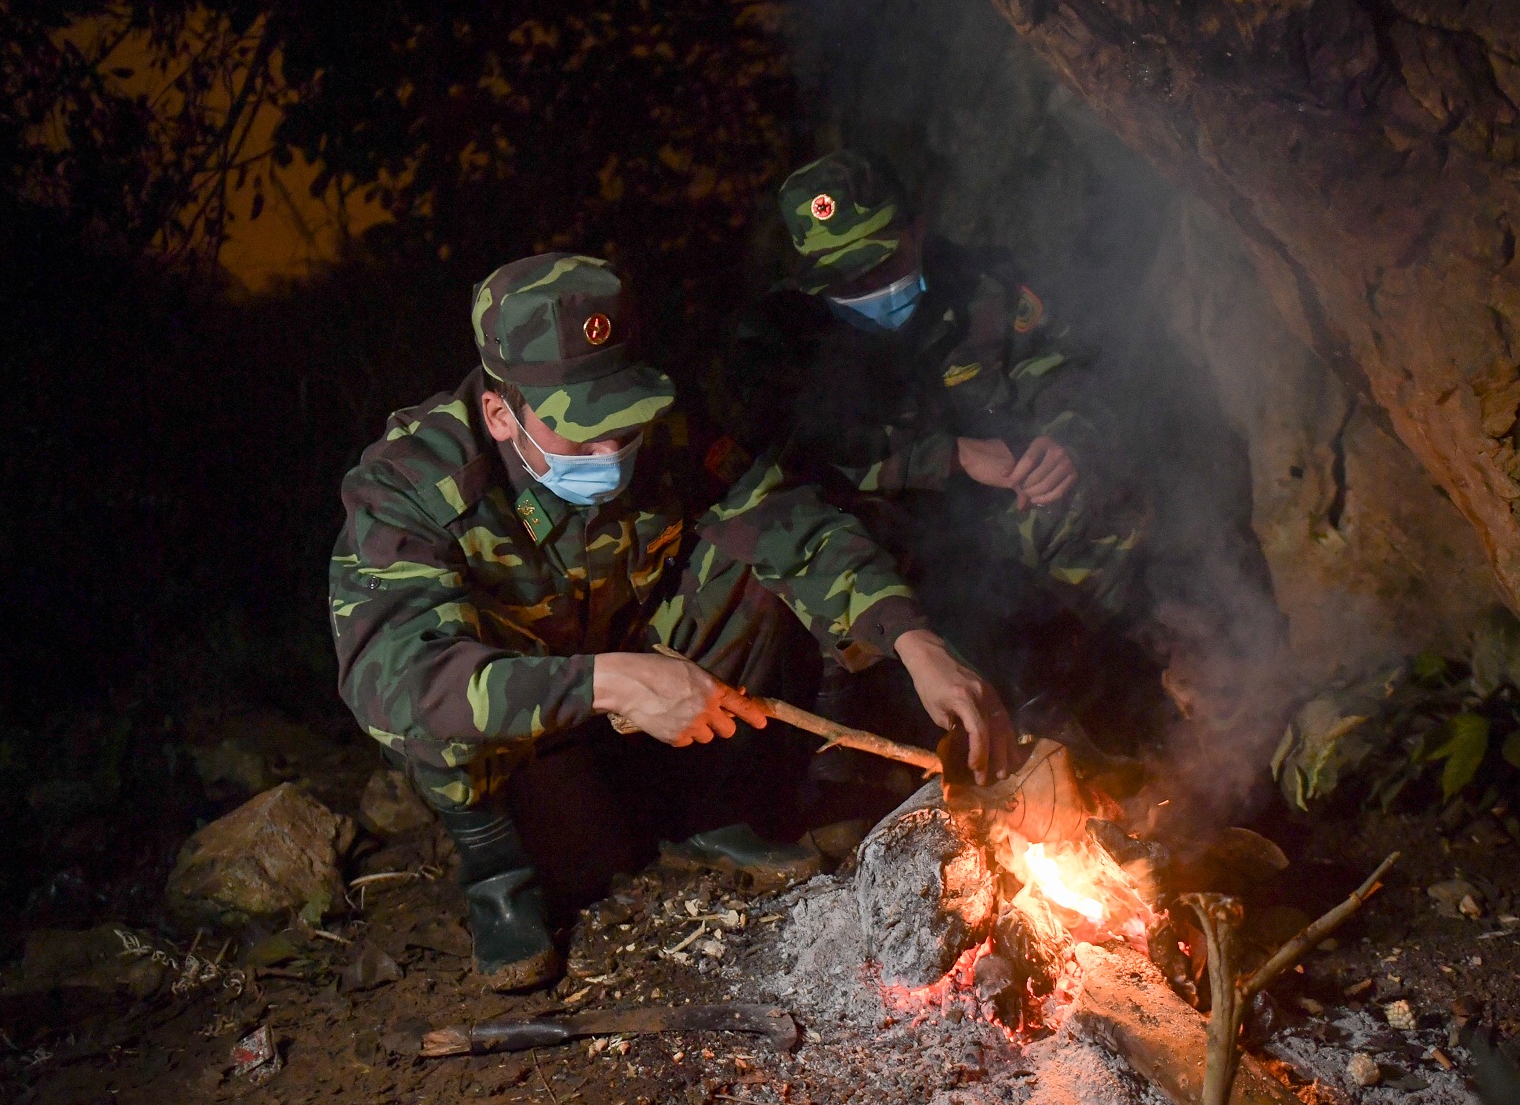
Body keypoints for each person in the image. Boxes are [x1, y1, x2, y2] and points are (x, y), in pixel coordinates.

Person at [329, 253, 1014, 990]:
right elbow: (397, 681)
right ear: (501, 413)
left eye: (622, 426)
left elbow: (785, 518)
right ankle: (494, 864)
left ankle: (710, 806)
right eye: (580, 433)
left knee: (748, 559)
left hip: (627, 657)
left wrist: (912, 640)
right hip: (523, 720)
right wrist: (611, 683)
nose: (611, 455)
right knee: (562, 832)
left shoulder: (660, 431)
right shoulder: (408, 484)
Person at [720, 150, 1164, 757]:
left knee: (1097, 502)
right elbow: (793, 461)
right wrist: (946, 454)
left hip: (999, 516)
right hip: (889, 529)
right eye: (847, 280)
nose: (871, 289)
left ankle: (1107, 698)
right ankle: (855, 761)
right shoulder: (779, 337)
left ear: (916, 229)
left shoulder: (987, 290)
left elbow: (1072, 374)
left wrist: (1069, 439)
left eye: (882, 264)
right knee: (819, 559)